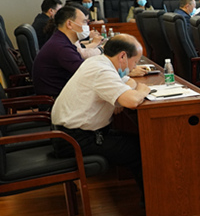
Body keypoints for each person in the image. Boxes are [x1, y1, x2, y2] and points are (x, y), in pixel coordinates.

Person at [51, 34, 150, 187]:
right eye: (135, 62)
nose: (133, 67)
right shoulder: (102, 71)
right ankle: (152, 200)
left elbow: (128, 81)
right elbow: (132, 101)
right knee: (141, 149)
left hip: (70, 134)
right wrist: (142, 91)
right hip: (75, 140)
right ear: (122, 56)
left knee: (137, 141)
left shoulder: (97, 62)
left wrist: (125, 92)